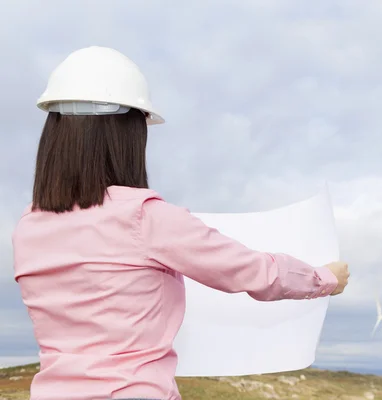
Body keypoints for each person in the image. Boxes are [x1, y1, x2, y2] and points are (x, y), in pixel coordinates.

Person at [12, 46, 350, 400]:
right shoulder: (145, 218)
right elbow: (254, 272)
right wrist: (324, 278)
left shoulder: (28, 227)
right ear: (129, 133)